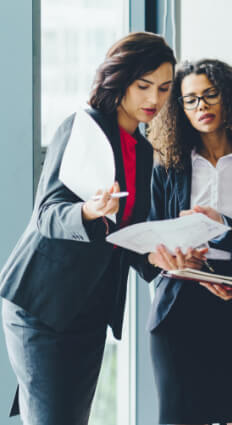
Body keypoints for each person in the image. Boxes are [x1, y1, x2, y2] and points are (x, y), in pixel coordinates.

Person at [0, 32, 177, 425]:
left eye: (164, 88)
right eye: (143, 86)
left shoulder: (143, 150)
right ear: (120, 80)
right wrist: (87, 210)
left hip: (89, 309)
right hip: (43, 304)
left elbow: (125, 234)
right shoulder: (82, 127)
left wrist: (162, 257)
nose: (154, 100)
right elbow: (47, 213)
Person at [146, 58, 232, 425]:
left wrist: (224, 229)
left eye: (210, 95)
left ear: (230, 98)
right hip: (181, 309)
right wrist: (168, 258)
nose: (201, 106)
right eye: (190, 100)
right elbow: (151, 239)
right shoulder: (168, 167)